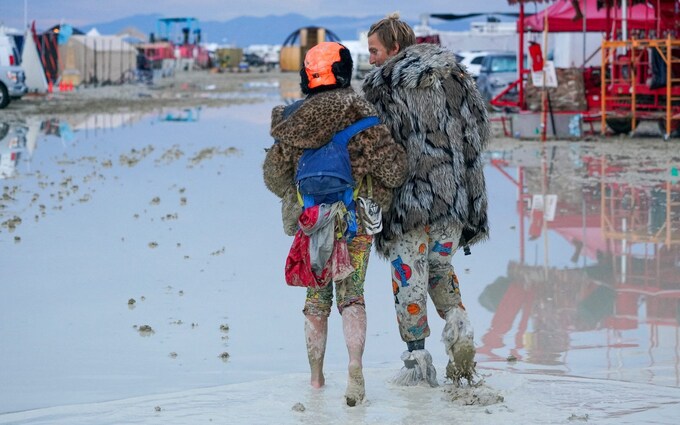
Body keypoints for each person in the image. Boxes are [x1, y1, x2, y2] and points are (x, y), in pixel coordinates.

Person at [262, 41, 407, 406]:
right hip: (355, 220)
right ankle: (355, 368)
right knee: (352, 295)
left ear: (307, 76)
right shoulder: (362, 113)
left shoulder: (291, 120)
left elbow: (273, 177)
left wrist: (302, 199)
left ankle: (315, 380)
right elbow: (394, 169)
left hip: (310, 222)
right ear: (344, 72)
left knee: (316, 300)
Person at [362, 13, 491, 386]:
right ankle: (459, 328)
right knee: (440, 270)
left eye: (374, 51)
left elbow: (377, 151)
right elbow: (478, 134)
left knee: (409, 280)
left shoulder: (383, 87)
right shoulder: (457, 78)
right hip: (454, 200)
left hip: (409, 204)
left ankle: (418, 360)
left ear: (395, 48)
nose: (370, 59)